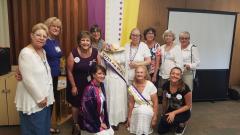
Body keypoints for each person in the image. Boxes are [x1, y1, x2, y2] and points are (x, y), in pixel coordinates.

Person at [15, 17, 63, 134]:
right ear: (31, 35)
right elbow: (28, 78)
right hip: (35, 97)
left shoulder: (45, 49)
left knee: (43, 126)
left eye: (44, 36)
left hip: (46, 90)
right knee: (34, 127)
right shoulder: (27, 52)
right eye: (38, 35)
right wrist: (39, 97)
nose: (41, 38)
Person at [66, 31, 101, 135]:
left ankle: (89, 122)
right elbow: (69, 71)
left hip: (91, 84)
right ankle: (75, 124)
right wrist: (73, 86)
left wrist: (97, 84)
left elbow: (99, 69)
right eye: (83, 40)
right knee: (76, 104)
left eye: (87, 40)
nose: (85, 42)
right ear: (79, 42)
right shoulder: (73, 53)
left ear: (90, 42)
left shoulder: (95, 52)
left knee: (91, 103)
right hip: (77, 83)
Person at [81, 65, 114, 135]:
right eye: (99, 73)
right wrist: (99, 124)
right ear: (93, 75)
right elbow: (88, 112)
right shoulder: (89, 89)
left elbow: (103, 106)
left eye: (103, 74)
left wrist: (104, 120)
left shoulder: (101, 85)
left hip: (100, 117)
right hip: (91, 122)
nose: (102, 76)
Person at [158, 67, 192, 135]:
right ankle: (173, 122)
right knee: (161, 130)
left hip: (183, 112)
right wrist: (163, 113)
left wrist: (174, 113)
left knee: (171, 121)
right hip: (171, 109)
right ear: (170, 74)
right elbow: (164, 100)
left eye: (177, 74)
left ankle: (182, 124)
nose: (175, 76)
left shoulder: (185, 88)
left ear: (180, 76)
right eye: (173, 73)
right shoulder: (166, 85)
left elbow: (189, 106)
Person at [44, 17, 63, 134]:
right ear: (48, 27)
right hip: (46, 78)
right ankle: (44, 128)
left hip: (55, 76)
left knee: (51, 102)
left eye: (58, 27)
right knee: (46, 103)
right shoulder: (44, 40)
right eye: (54, 26)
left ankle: (46, 127)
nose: (56, 28)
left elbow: (57, 56)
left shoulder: (55, 41)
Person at [127, 65, 158, 135]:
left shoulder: (150, 85)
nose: (139, 74)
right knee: (140, 111)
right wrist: (129, 117)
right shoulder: (132, 87)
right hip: (136, 108)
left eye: (141, 72)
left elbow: (155, 103)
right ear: (135, 73)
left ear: (145, 74)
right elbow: (131, 103)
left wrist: (155, 117)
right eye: (137, 72)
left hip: (148, 108)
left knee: (143, 111)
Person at [102, 44, 127, 130]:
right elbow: (102, 67)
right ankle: (109, 120)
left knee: (118, 99)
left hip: (120, 79)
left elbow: (126, 66)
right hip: (108, 79)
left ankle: (119, 118)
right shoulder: (104, 53)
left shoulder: (123, 52)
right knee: (110, 99)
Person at [158, 30, 183, 102]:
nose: (168, 37)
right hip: (162, 75)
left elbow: (180, 64)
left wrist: (177, 75)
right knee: (164, 94)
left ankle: (172, 111)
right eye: (166, 36)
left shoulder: (177, 48)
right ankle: (164, 112)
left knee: (172, 95)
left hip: (173, 76)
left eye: (170, 36)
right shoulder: (162, 47)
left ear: (173, 37)